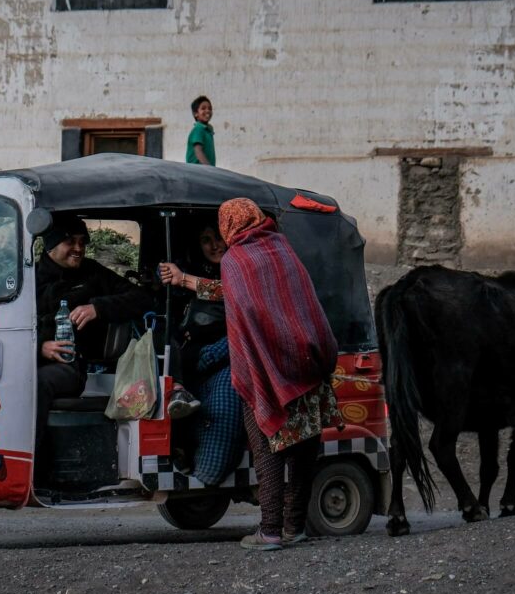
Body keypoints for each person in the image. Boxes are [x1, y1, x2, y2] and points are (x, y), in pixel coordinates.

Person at [217, 198, 342, 550]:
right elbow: (301, 302)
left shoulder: (234, 261)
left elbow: (241, 314)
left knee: (267, 451)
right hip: (307, 370)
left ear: (227, 226)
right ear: (257, 217)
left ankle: (270, 531)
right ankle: (294, 527)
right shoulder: (283, 248)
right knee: (303, 454)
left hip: (265, 377)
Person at [35, 214, 152, 483]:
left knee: (36, 383)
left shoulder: (92, 273)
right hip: (26, 358)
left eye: (82, 241)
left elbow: (143, 298)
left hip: (70, 368)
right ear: (50, 245)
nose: (78, 248)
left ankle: (35, 468)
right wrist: (40, 348)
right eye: (70, 242)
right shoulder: (28, 279)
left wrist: (99, 307)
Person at [158, 223, 246, 486]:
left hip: (225, 355)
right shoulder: (192, 270)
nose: (215, 245)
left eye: (219, 237)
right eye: (206, 240)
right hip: (191, 357)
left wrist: (183, 278)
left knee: (223, 406)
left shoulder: (239, 270)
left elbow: (229, 292)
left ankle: (206, 475)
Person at [185, 95, 216, 166]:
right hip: (197, 172)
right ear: (196, 114)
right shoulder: (199, 129)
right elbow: (198, 151)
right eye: (203, 108)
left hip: (205, 170)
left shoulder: (207, 130)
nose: (207, 111)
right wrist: (210, 169)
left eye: (210, 108)